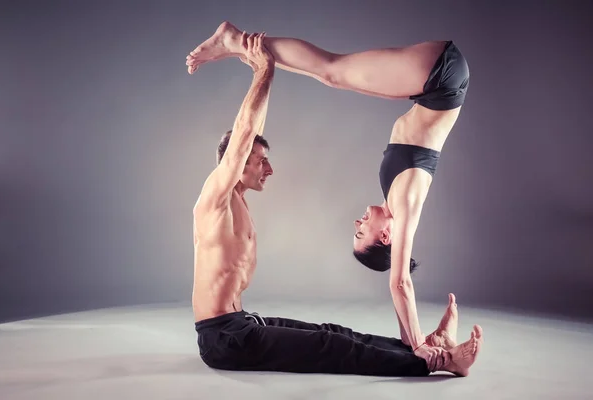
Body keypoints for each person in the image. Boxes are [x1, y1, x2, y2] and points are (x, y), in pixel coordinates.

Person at [188, 29, 482, 377]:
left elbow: (249, 135)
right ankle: (440, 361)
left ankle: (419, 348)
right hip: (224, 339)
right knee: (331, 349)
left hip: (240, 323)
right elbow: (244, 134)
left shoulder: (235, 199)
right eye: (261, 160)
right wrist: (263, 70)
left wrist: (415, 340)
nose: (270, 168)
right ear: (237, 163)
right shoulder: (216, 196)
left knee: (332, 333)